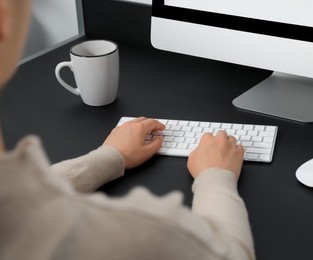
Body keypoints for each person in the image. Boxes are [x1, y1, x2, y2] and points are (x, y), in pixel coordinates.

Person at [0, 0, 255, 259]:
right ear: (3, 19)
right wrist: (215, 178)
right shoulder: (137, 236)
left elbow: (26, 200)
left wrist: (107, 157)